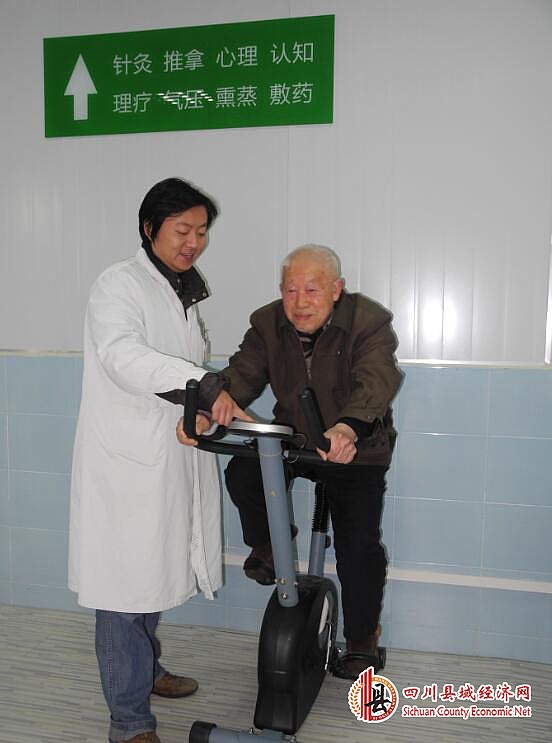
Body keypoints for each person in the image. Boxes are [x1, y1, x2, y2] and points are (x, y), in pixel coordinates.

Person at [68, 177, 250, 743]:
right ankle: (128, 723)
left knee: (148, 574)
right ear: (149, 229)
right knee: (123, 589)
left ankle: (145, 671)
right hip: (126, 464)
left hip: (166, 454)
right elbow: (124, 357)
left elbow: (174, 373)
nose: (194, 242)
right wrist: (203, 386)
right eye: (182, 230)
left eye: (201, 231)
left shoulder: (179, 291)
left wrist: (200, 405)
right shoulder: (118, 284)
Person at [179, 244, 402, 681]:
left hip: (356, 447)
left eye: (312, 290)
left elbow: (377, 380)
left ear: (336, 289)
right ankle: (268, 545)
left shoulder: (368, 320)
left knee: (358, 545)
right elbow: (242, 374)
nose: (300, 302)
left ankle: (362, 638)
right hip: (297, 438)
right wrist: (207, 411)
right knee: (244, 472)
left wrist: (348, 429)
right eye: (290, 290)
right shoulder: (267, 323)